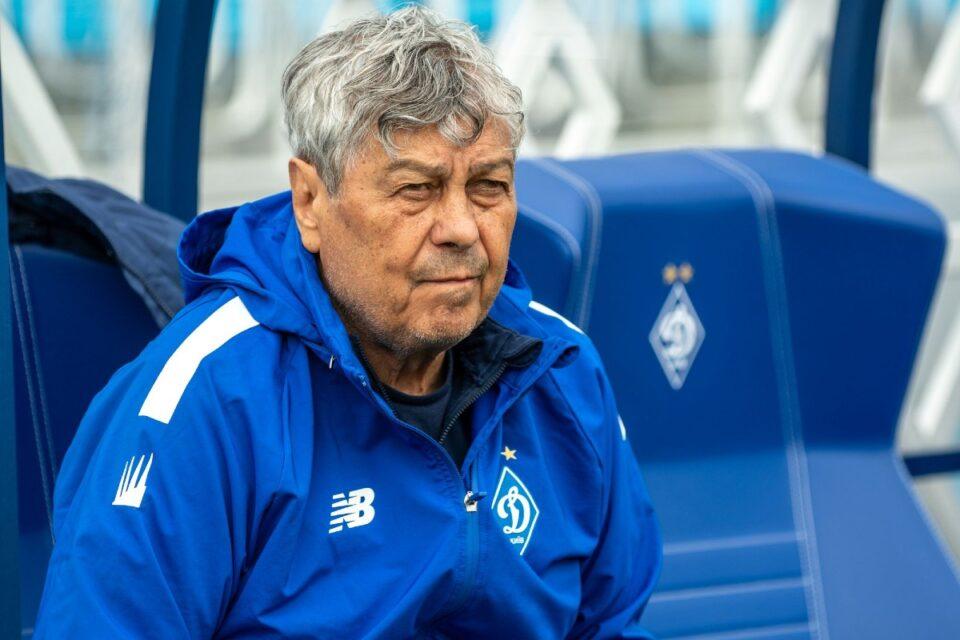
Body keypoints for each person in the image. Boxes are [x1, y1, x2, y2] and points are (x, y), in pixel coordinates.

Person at [34, 7, 661, 638]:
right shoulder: (209, 399)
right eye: (416, 190)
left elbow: (613, 623)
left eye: (489, 186)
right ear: (309, 201)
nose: (462, 229)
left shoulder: (561, 370)